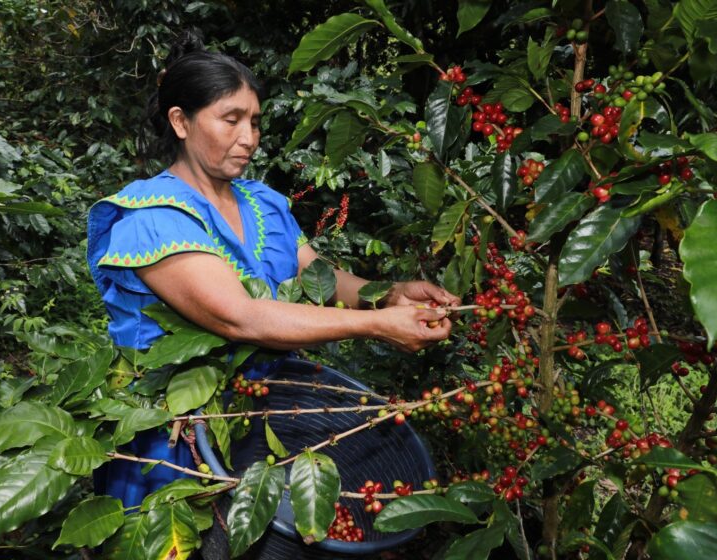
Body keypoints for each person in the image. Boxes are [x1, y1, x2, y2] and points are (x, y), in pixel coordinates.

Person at [86, 31, 459, 507]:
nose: (249, 139)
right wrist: (375, 325)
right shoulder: (152, 218)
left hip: (264, 420)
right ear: (180, 121)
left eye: (255, 122)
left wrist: (389, 295)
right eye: (231, 120)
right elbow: (241, 316)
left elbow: (315, 275)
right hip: (178, 439)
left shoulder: (261, 203)